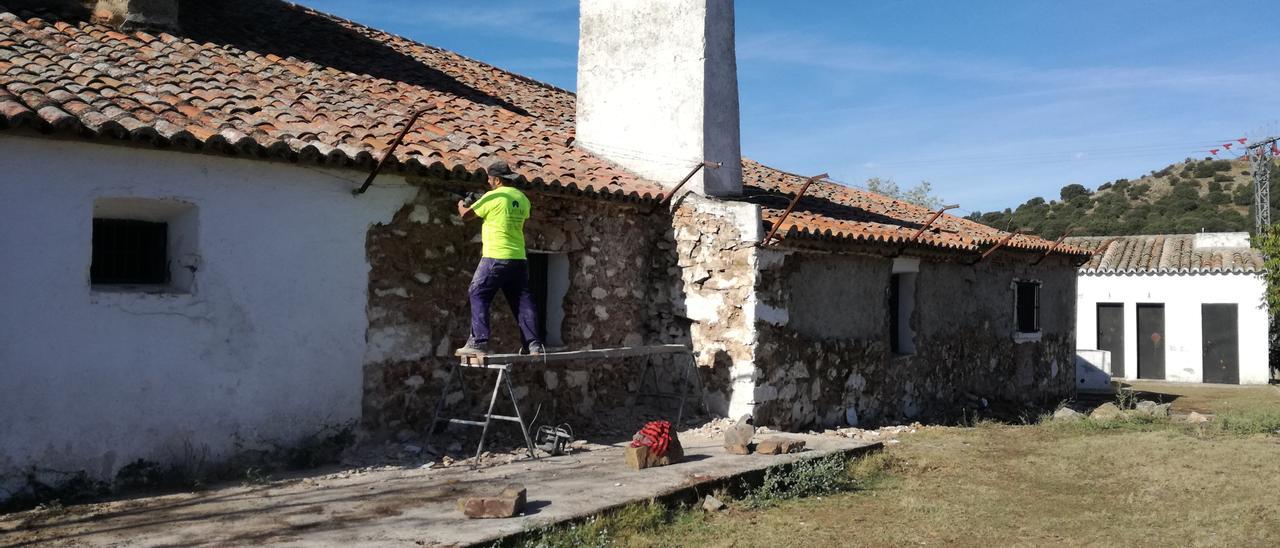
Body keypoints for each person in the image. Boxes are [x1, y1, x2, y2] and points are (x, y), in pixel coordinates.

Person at [455, 160, 545, 356]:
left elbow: (466, 215)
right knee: (522, 299)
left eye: (489, 179)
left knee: (477, 291)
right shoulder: (522, 198)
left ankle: (478, 343)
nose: (488, 182)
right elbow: (510, 211)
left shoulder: (493, 197)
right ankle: (534, 344)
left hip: (496, 255)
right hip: (518, 257)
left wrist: (462, 203)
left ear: (496, 180)